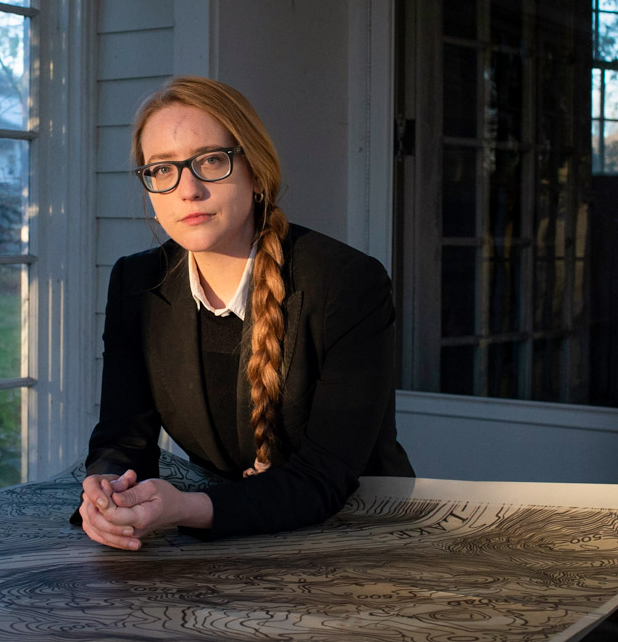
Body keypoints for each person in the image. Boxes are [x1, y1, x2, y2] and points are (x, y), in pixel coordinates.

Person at [78, 76, 413, 550]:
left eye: (210, 161)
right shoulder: (136, 284)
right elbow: (122, 436)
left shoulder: (347, 283)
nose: (187, 190)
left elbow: (326, 476)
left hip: (356, 533)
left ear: (255, 172)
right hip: (226, 538)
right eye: (161, 170)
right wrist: (109, 489)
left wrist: (185, 509)